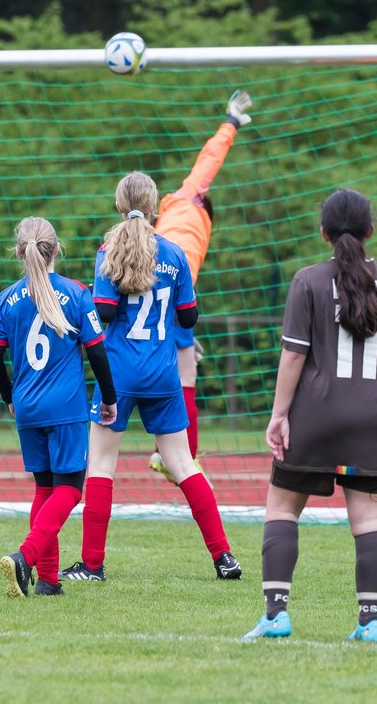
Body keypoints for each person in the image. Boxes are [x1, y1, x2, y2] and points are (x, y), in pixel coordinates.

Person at [242, 189, 377, 644]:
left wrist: (279, 415)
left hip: (316, 417)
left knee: (281, 508)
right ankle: (370, 622)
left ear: (324, 233)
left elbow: (293, 358)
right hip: (376, 420)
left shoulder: (308, 281)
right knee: (370, 520)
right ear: (370, 230)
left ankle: (276, 614)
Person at [61, 172, 241, 583]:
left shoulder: (110, 249)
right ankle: (224, 557)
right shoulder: (175, 253)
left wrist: (88, 294)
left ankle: (92, 565)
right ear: (157, 205)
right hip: (163, 374)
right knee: (182, 463)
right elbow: (189, 317)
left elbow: (104, 313)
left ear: (119, 205)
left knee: (102, 464)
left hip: (119, 374)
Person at [0, 217, 118, 597]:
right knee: (70, 490)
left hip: (27, 406)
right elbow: (97, 352)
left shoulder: (7, 297)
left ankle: (48, 580)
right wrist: (109, 399)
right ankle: (26, 556)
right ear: (56, 249)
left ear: (19, 251)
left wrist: (10, 397)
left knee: (44, 489)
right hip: (65, 408)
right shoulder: (77, 293)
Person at [149, 89, 252, 484]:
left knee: (150, 375)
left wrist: (229, 122)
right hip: (173, 296)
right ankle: (182, 459)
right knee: (184, 379)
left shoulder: (178, 206)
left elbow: (208, 161)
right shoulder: (197, 235)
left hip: (152, 293)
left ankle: (167, 453)